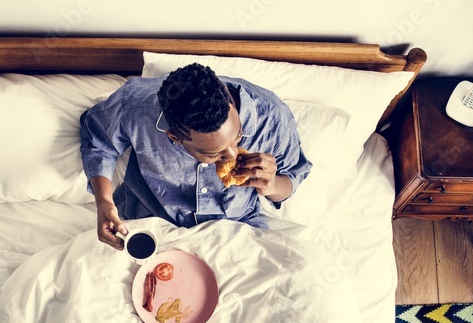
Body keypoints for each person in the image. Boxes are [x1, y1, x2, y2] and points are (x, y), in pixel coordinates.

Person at [79, 63, 312, 249]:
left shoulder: (272, 116)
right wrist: (104, 202)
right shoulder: (135, 107)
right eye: (215, 153)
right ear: (174, 137)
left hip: (237, 227)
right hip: (147, 219)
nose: (232, 155)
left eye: (238, 136)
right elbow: (98, 139)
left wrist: (271, 185)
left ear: (229, 100)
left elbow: (293, 177)